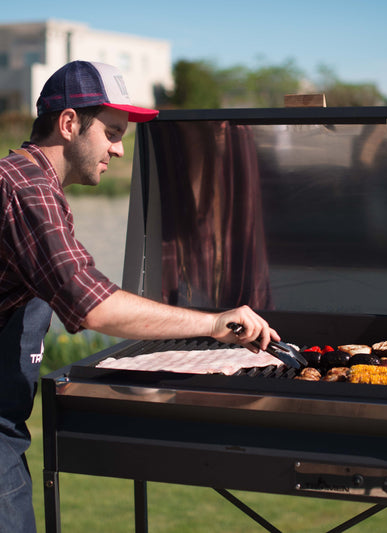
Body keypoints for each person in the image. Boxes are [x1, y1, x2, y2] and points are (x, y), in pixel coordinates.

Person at [0, 60, 279, 533]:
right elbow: (93, 304)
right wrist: (212, 324)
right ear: (69, 124)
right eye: (111, 132)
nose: (120, 150)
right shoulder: (27, 189)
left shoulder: (29, 182)